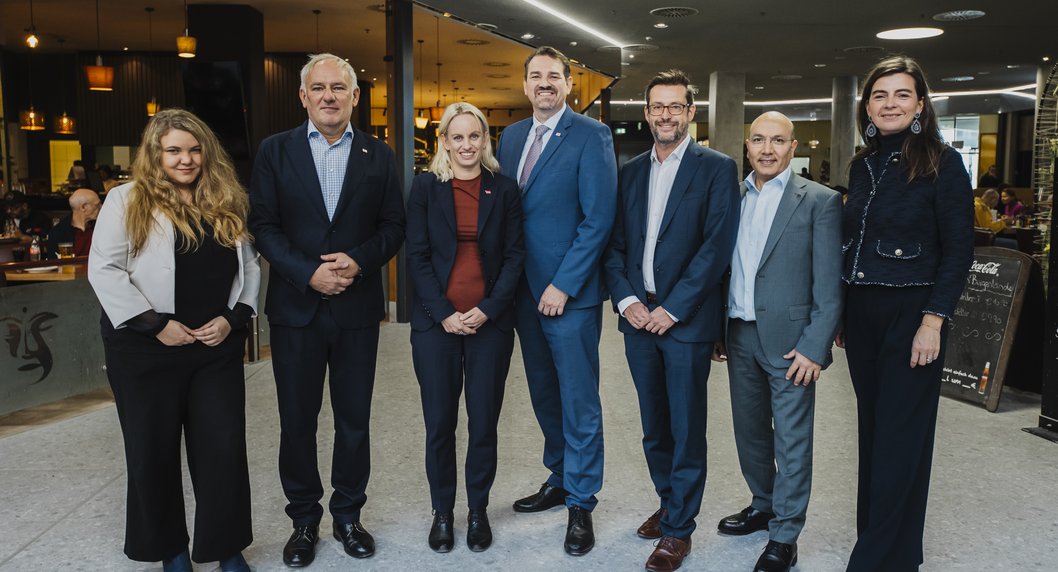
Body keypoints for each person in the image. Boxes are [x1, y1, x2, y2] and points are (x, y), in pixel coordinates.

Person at [248, 53, 406, 567]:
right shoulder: (275, 152)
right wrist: (306, 272)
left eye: (339, 88)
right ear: (303, 96)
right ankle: (303, 520)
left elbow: (393, 226)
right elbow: (264, 226)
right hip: (296, 309)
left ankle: (348, 515)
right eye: (319, 88)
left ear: (355, 96)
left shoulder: (378, 155)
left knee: (354, 420)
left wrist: (358, 262)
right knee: (297, 420)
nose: (329, 96)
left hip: (357, 310)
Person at [87, 108, 259, 572]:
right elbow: (103, 270)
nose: (186, 159)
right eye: (174, 151)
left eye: (194, 149)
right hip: (144, 350)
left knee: (222, 450)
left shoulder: (224, 198)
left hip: (213, 349)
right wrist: (155, 324)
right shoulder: (126, 200)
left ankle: (226, 547)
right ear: (155, 155)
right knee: (153, 451)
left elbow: (249, 268)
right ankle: (172, 550)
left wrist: (232, 318)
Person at [839, 55, 973, 572]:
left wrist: (933, 321)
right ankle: (893, 550)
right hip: (863, 310)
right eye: (879, 95)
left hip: (913, 313)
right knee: (874, 433)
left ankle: (873, 560)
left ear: (920, 104)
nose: (889, 103)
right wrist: (845, 315)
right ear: (867, 106)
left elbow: (959, 250)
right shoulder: (861, 161)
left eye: (901, 95)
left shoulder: (942, 161)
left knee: (902, 436)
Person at [603, 69, 739, 571]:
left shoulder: (716, 168)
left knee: (686, 427)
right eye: (657, 106)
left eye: (675, 106)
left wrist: (671, 308)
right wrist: (627, 302)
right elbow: (613, 246)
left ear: (690, 112)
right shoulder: (631, 170)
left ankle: (679, 529)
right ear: (646, 113)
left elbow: (715, 249)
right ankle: (668, 503)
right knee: (654, 426)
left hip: (685, 321)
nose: (665, 114)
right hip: (637, 318)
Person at [495, 45, 617, 556]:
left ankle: (582, 502)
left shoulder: (592, 135)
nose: (544, 83)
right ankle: (560, 477)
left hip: (568, 294)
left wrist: (563, 284)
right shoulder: (511, 137)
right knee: (544, 392)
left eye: (554, 77)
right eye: (535, 76)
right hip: (520, 290)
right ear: (524, 86)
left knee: (578, 398)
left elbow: (598, 219)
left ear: (569, 85)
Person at [712, 111, 843, 572]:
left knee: (791, 441)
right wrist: (716, 329)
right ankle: (762, 503)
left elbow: (830, 286)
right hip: (739, 333)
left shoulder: (820, 201)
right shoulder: (731, 195)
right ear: (746, 146)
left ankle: (785, 533)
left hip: (793, 344)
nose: (767, 150)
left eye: (778, 141)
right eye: (759, 140)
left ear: (793, 147)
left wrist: (815, 346)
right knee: (748, 432)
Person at [406, 102, 525, 554]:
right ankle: (442, 512)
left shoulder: (504, 189)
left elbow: (515, 255)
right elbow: (416, 255)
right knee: (439, 423)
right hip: (436, 325)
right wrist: (444, 312)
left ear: (484, 140)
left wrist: (489, 309)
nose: (466, 145)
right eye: (457, 137)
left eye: (474, 136)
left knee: (483, 423)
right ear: (444, 143)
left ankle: (477, 511)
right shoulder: (425, 188)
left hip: (489, 325)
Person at [47, 188, 101, 258]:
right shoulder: (58, 233)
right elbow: (53, 263)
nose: (101, 207)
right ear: (83, 207)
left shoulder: (103, 227)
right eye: (97, 205)